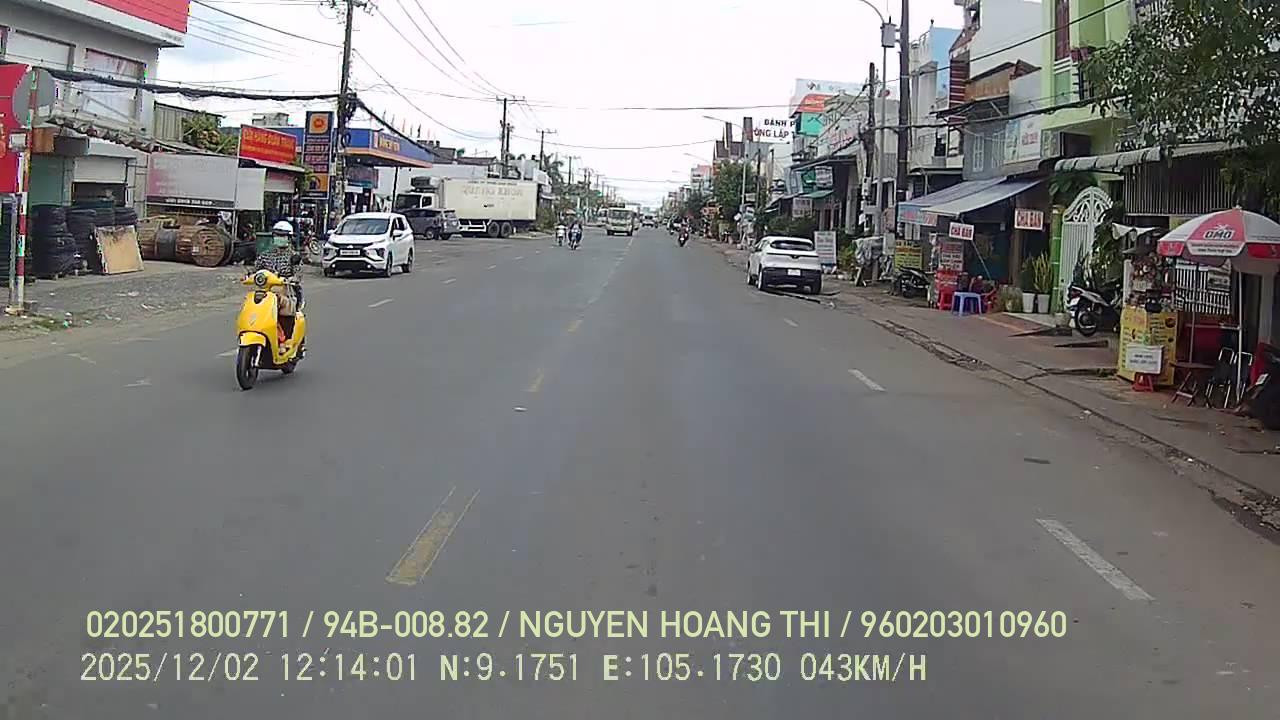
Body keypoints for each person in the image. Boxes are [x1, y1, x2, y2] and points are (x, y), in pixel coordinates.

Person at [254, 220, 303, 334]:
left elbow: (297, 274)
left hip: (286, 289)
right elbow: (256, 270)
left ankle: (286, 335)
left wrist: (292, 279)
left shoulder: (293, 256)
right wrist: (249, 276)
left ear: (289, 238)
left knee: (286, 306)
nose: (279, 238)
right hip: (266, 289)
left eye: (282, 236)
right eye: (277, 235)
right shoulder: (266, 255)